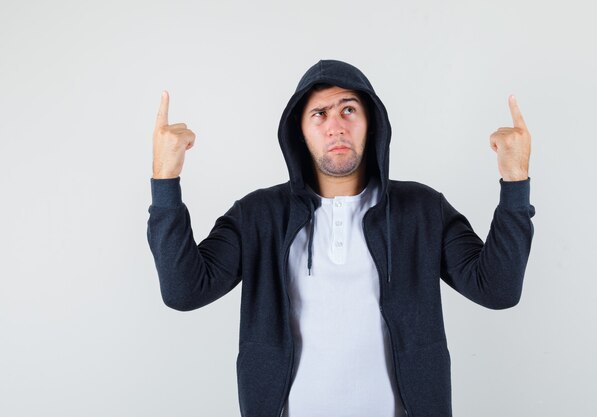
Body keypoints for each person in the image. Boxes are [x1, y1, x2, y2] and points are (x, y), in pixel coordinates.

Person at [147, 59, 535, 417]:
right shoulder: (258, 215)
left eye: (349, 109)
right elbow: (184, 291)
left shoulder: (421, 210)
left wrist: (515, 181)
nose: (336, 126)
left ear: (371, 123)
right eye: (319, 114)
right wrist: (166, 178)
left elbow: (497, 290)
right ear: (300, 133)